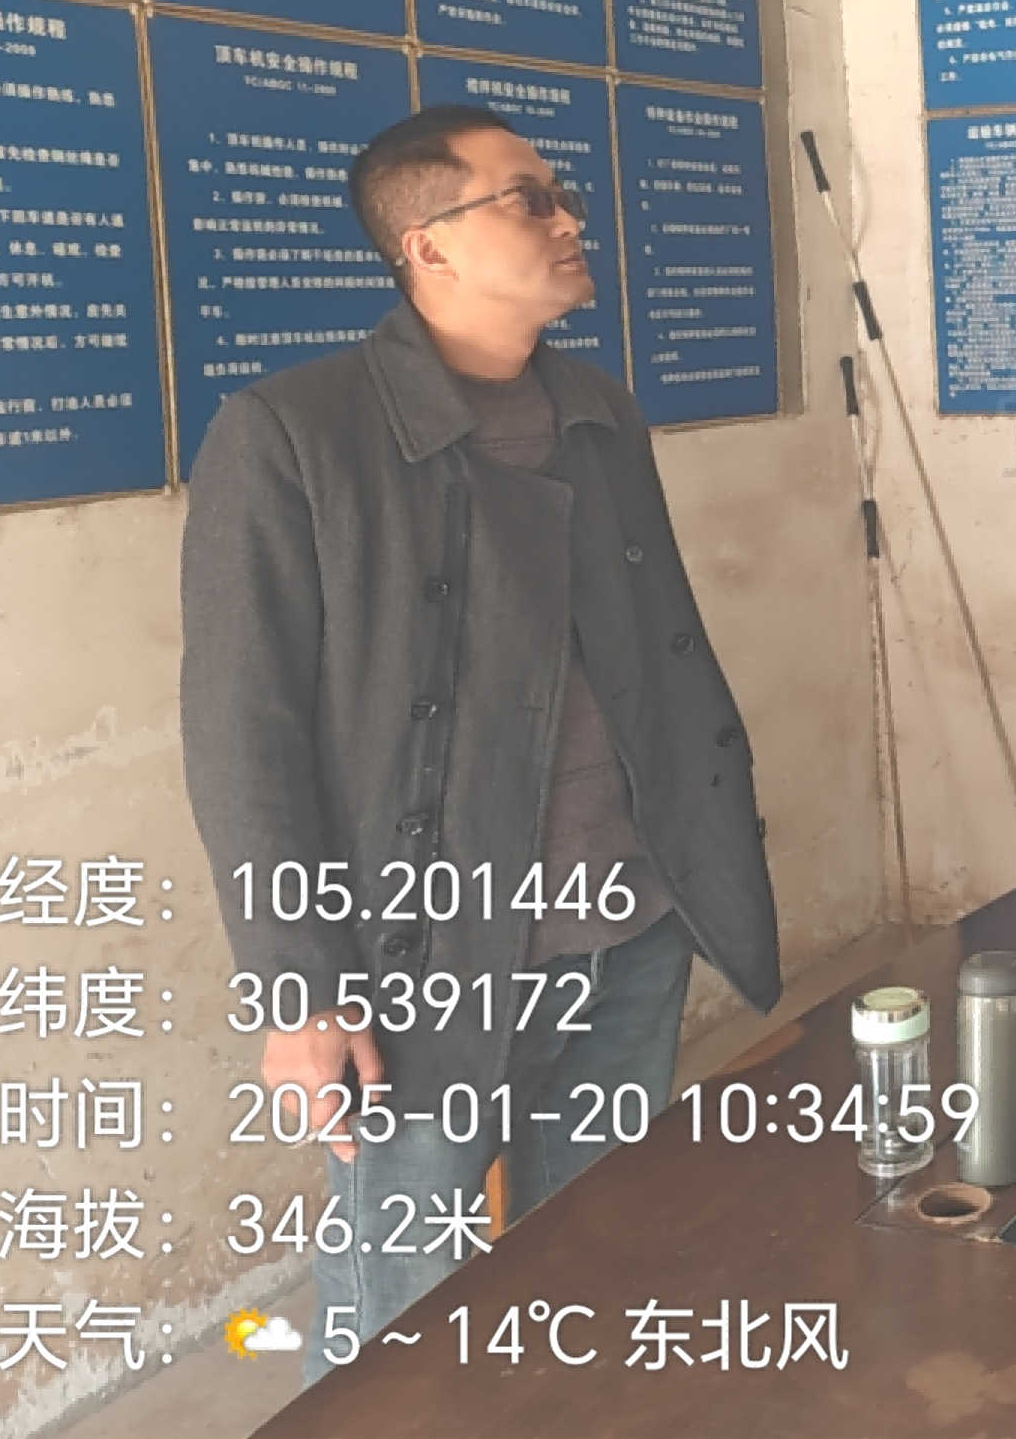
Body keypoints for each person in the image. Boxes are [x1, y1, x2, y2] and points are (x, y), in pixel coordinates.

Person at [179, 104, 781, 1381]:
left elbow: (655, 656)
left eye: (562, 195)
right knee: (397, 1305)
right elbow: (243, 733)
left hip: (624, 926)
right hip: (428, 958)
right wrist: (299, 985)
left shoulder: (598, 409)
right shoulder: (293, 433)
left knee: (596, 1257)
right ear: (428, 244)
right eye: (530, 197)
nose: (569, 219)